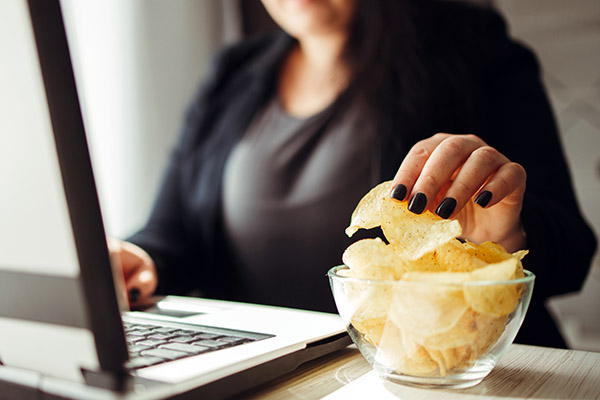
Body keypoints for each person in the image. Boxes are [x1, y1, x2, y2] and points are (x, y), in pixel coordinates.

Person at [111, 0, 597, 349]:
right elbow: (173, 232)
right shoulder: (232, 72)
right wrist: (140, 257)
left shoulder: (474, 46)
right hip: (272, 376)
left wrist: (503, 233)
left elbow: (573, 248)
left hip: (434, 375)